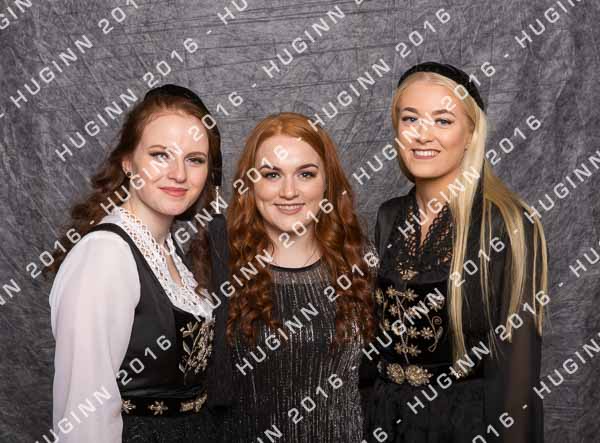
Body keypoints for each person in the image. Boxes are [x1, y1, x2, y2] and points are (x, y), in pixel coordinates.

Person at [363, 62, 548, 443]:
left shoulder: (507, 224)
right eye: (410, 118)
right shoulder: (388, 216)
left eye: (443, 120)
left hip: (464, 425)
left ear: (471, 134)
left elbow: (519, 377)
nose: (422, 134)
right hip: (388, 420)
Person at [47, 84, 229, 442]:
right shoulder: (105, 256)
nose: (179, 174)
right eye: (161, 155)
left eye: (195, 159)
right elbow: (84, 415)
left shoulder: (166, 251)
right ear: (128, 162)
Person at [222, 112, 377, 443]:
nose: (289, 191)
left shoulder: (361, 262)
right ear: (250, 184)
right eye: (272, 174)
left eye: (305, 174)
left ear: (327, 182)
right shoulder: (220, 265)